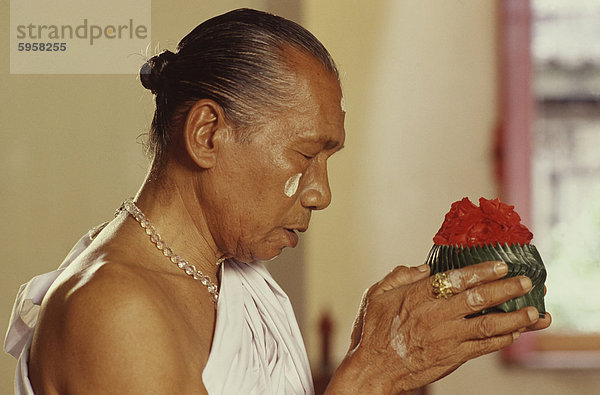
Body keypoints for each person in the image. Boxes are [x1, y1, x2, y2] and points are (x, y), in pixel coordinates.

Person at [5, 8, 551, 394]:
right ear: (206, 134)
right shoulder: (117, 310)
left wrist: (376, 354)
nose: (322, 193)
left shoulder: (234, 275)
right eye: (306, 155)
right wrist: (373, 375)